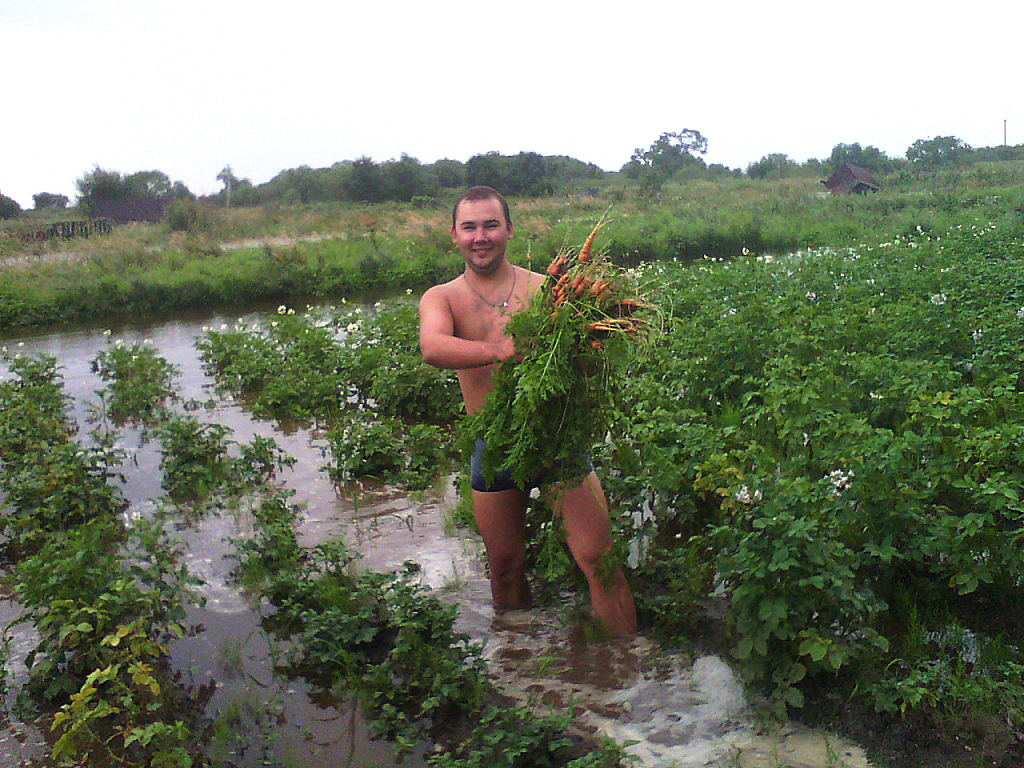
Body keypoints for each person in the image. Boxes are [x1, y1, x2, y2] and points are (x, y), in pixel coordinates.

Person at [418, 186, 637, 636]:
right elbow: (432, 346)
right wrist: (499, 350)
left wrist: (597, 341)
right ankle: (519, 666)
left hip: (556, 437)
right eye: (470, 227)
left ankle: (631, 668)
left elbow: (586, 356)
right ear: (454, 235)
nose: (481, 236)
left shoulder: (547, 289)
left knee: (600, 559)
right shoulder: (442, 297)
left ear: (509, 230)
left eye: (491, 225)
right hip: (495, 442)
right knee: (504, 566)